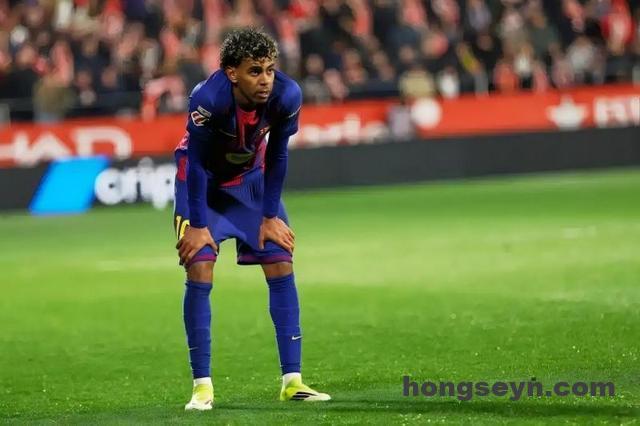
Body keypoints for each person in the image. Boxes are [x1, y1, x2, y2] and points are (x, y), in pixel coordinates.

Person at [173, 28, 331, 411]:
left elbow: (278, 154)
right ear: (232, 73)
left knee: (280, 259)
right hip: (203, 187)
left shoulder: (287, 96)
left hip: (251, 183)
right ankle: (202, 388)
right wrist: (198, 225)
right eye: (255, 71)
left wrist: (270, 216)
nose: (265, 80)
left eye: (270, 70)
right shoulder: (207, 98)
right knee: (200, 266)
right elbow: (196, 163)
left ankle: (293, 382)